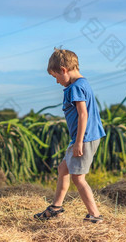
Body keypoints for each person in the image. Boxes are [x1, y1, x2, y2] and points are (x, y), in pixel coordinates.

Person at [34, 48, 106, 223]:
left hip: (85, 138)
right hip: (83, 137)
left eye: (56, 76)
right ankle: (56, 207)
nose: (57, 81)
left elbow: (83, 115)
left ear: (64, 70)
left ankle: (94, 215)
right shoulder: (83, 83)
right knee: (63, 169)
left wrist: (79, 142)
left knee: (78, 177)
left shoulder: (75, 88)